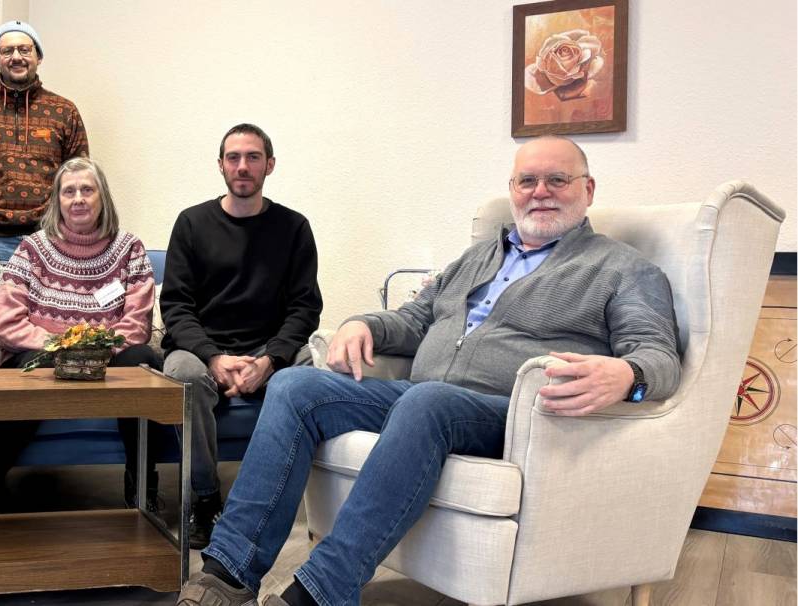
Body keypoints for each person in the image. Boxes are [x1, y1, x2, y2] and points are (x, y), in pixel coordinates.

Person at [175, 136, 683, 606]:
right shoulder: (479, 257)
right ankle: (227, 574)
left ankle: (321, 591)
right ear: (513, 190)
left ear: (587, 190)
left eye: (557, 180)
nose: (540, 192)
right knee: (293, 385)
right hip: (422, 396)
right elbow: (416, 319)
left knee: (427, 400)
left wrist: (629, 377)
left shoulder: (622, 268)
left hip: (512, 412)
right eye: (527, 181)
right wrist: (363, 323)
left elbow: (659, 356)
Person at [0, 157, 164, 514]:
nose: (78, 199)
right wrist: (62, 348)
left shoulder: (130, 249)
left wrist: (95, 352)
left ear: (102, 197)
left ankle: (141, 485)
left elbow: (137, 325)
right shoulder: (32, 249)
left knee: (144, 361)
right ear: (57, 200)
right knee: (33, 366)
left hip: (107, 362)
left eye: (87, 190)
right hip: (42, 355)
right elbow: (8, 324)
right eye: (69, 191)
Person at [161, 123, 322, 549]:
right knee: (181, 375)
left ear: (270, 165)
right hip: (201, 350)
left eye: (253, 157)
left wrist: (270, 361)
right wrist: (213, 358)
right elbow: (175, 306)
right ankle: (205, 497)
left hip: (266, 349)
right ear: (220, 165)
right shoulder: (192, 223)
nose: (243, 166)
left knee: (310, 369)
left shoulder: (294, 227)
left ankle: (267, 496)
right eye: (233, 158)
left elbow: (305, 308)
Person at [0, 20, 88, 262]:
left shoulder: (64, 110)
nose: (16, 57)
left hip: (50, 236)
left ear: (39, 56)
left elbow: (79, 173)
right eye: (7, 51)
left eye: (25, 49)